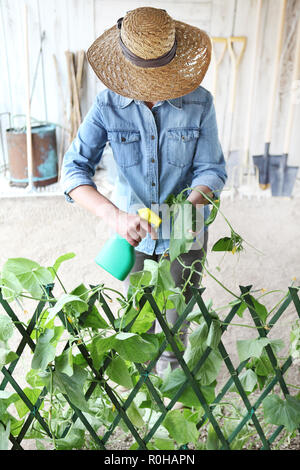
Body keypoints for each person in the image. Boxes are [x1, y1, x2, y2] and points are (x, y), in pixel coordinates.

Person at [61, 7, 227, 377]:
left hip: (186, 235)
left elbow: (212, 170)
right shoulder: (107, 104)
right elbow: (72, 170)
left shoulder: (200, 102)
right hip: (131, 239)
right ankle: (141, 402)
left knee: (174, 327)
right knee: (137, 327)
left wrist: (188, 205)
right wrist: (114, 216)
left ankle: (168, 405)